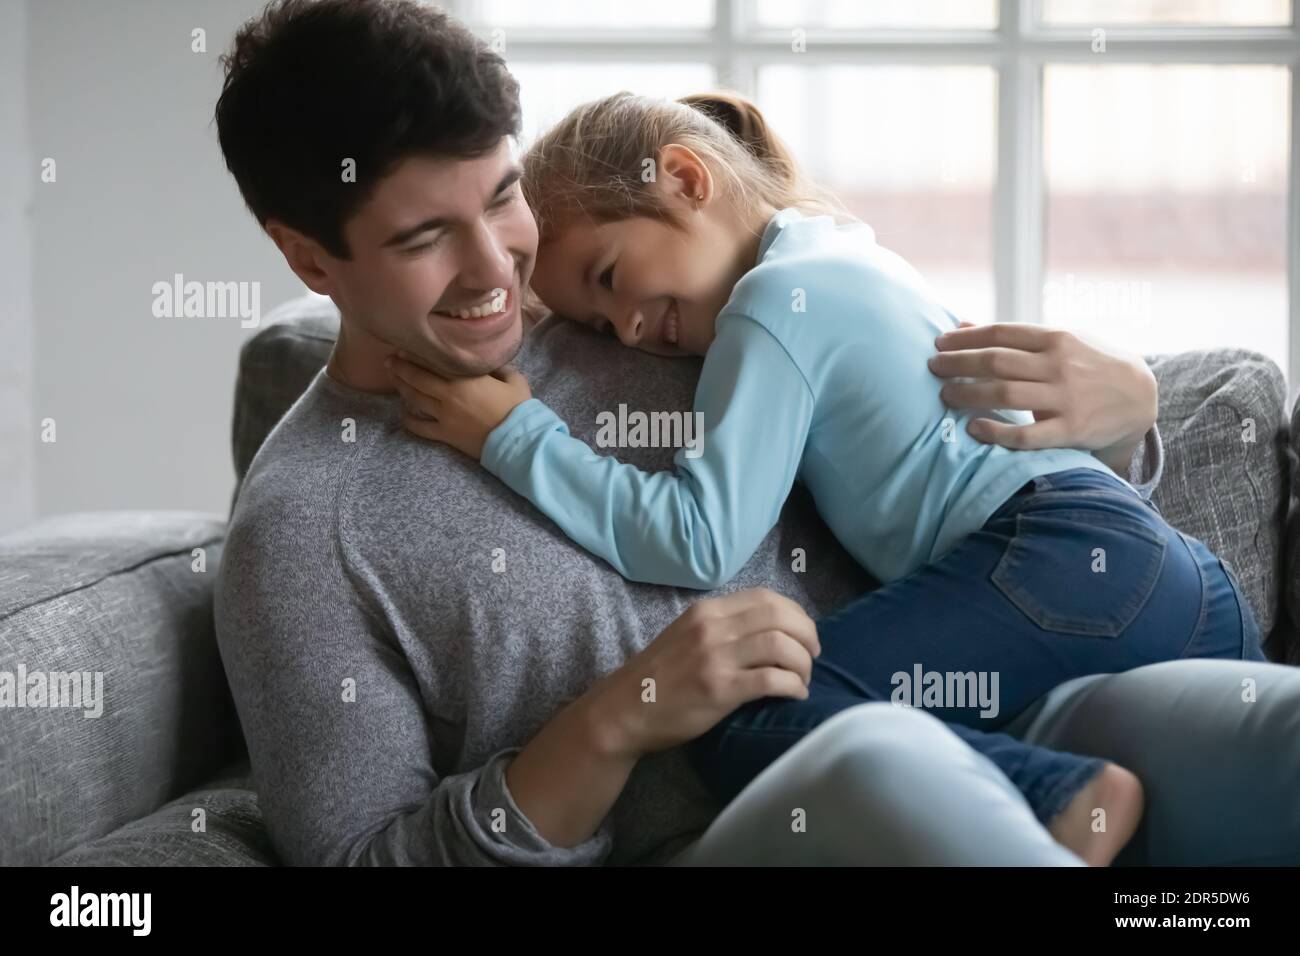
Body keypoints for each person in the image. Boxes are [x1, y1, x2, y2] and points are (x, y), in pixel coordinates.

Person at [213, 0, 1294, 867]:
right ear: (308, 257)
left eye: (501, 199)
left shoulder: (664, 304)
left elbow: (950, 449)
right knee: (879, 758)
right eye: (424, 238)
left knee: (1271, 731)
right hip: (753, 814)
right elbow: (363, 854)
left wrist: (1128, 415)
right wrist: (616, 720)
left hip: (1017, 719)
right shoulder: (306, 529)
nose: (498, 271)